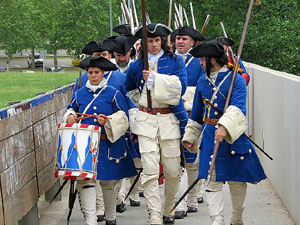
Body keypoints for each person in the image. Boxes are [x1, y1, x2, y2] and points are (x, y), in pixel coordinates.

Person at [182, 40, 267, 225]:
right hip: (210, 136)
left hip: (233, 135)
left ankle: (237, 218)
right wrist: (191, 137)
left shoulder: (235, 79)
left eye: (203, 60)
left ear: (213, 60)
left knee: (237, 181)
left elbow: (239, 107)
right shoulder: (202, 82)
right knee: (211, 181)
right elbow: (197, 115)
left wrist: (224, 126)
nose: (200, 63)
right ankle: (217, 220)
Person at [125, 23, 187, 225]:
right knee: (150, 170)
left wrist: (156, 80)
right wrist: (140, 107)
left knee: (172, 170)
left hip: (169, 119)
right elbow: (130, 90)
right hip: (146, 121)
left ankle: (169, 208)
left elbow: (181, 88)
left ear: (163, 41)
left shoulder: (176, 61)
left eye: (157, 40)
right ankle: (154, 214)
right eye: (149, 41)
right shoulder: (136, 65)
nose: (153, 45)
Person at [65, 56, 137, 225]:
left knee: (108, 182)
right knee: (87, 181)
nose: (93, 76)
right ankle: (90, 220)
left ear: (102, 73)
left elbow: (123, 116)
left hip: (108, 144)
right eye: (90, 72)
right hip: (86, 145)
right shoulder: (79, 94)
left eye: (96, 72)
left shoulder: (113, 93)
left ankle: (110, 217)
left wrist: (109, 121)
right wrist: (70, 116)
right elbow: (71, 109)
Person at [172, 25, 206, 219]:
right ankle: (180, 201)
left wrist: (179, 95)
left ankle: (192, 198)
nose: (180, 42)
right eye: (178, 38)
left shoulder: (199, 63)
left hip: (193, 116)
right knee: (176, 161)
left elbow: (201, 90)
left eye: (184, 39)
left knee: (192, 160)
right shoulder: (171, 61)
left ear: (192, 42)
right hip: (172, 115)